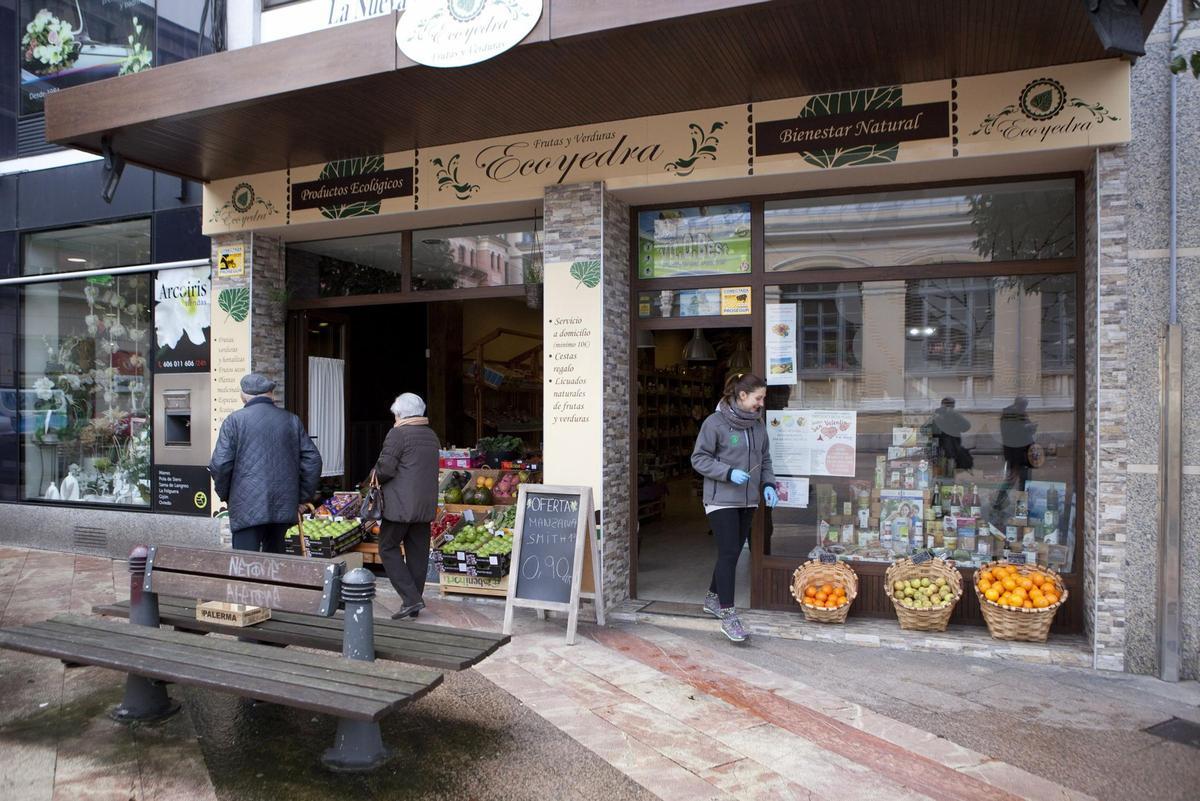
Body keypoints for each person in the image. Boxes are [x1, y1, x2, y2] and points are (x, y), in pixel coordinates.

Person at [691, 372, 777, 643]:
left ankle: (712, 598)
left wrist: (768, 485)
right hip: (721, 500)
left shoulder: (758, 425)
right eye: (758, 398)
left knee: (733, 552)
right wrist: (728, 473)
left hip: (748, 499)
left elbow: (765, 459)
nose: (761, 403)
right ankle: (729, 616)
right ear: (742, 396)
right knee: (730, 553)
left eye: (762, 398)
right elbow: (699, 459)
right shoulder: (714, 423)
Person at [208, 373, 321, 553]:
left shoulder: (234, 421)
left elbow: (220, 464)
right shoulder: (291, 420)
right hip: (283, 506)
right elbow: (313, 461)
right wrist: (301, 499)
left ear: (243, 396)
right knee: (275, 567)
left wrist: (227, 496)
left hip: (246, 507)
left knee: (245, 568)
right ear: (272, 395)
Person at [373, 393, 440, 620]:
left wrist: (372, 477)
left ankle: (411, 598)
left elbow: (386, 469)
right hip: (424, 505)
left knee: (387, 548)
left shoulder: (398, 434)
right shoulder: (431, 435)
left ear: (399, 413)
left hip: (400, 505)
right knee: (418, 554)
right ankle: (414, 601)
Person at [1000, 396, 1038, 491]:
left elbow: (1029, 431)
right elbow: (1007, 433)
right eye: (1024, 405)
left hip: (1025, 452)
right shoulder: (1008, 413)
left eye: (1026, 406)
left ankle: (1021, 503)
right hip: (1015, 452)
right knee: (1012, 479)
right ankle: (998, 502)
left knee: (1025, 480)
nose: (1025, 407)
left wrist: (1032, 427)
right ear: (1018, 404)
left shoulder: (1022, 413)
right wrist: (1025, 428)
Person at [930, 397, 972, 472]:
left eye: (950, 405)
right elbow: (925, 429)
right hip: (940, 446)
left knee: (950, 463)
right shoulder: (938, 414)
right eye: (947, 405)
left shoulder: (954, 414)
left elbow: (966, 426)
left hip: (951, 446)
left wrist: (954, 426)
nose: (948, 407)